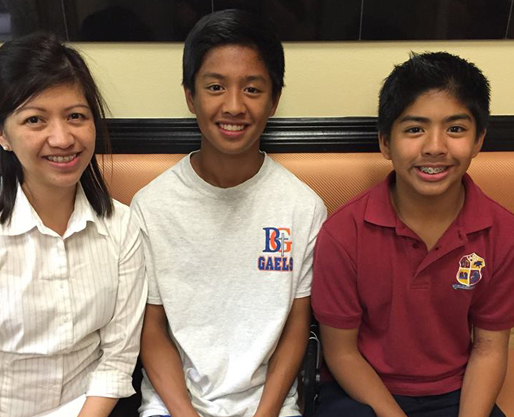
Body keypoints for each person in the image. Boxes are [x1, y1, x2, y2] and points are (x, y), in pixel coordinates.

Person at [131, 9, 327, 417]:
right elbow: (152, 331)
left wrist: (266, 412)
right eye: (216, 87)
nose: (234, 106)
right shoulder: (151, 206)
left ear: (274, 99)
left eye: (252, 89)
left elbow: (296, 328)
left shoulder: (302, 207)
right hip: (172, 406)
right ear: (191, 95)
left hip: (270, 408)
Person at [312, 52, 514, 417]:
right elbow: (341, 352)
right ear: (386, 143)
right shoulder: (343, 233)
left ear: (479, 139)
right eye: (414, 129)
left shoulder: (502, 231)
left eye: (455, 129)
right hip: (362, 391)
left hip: (456, 390)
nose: (435, 147)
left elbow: (489, 348)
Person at [0, 33, 147, 417]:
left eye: (76, 116)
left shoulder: (122, 225)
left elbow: (117, 359)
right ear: (3, 135)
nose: (62, 138)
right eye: (35, 119)